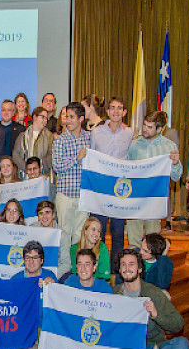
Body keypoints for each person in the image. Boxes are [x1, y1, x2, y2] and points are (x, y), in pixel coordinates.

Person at [113, 249, 189, 349]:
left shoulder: (153, 293)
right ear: (119, 269)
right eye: (123, 265)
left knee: (183, 345)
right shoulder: (113, 293)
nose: (127, 268)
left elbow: (178, 324)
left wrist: (156, 315)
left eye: (131, 264)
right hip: (127, 346)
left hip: (151, 346)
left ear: (140, 269)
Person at [126, 111, 182, 248]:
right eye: (144, 125)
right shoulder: (134, 145)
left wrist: (175, 164)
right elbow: (126, 171)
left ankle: (151, 268)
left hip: (154, 201)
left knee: (153, 243)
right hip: (135, 199)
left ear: (160, 129)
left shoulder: (169, 147)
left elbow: (176, 177)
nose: (145, 129)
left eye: (150, 127)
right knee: (134, 241)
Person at [89, 96, 134, 267]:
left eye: (119, 108)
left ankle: (116, 272)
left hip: (119, 191)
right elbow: (92, 158)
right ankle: (98, 269)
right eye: (112, 108)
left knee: (117, 233)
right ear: (107, 112)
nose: (115, 111)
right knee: (97, 231)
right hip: (100, 189)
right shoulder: (97, 132)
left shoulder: (129, 133)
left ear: (124, 112)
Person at [55, 248, 113, 349]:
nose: (83, 268)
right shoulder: (70, 283)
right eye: (80, 264)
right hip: (75, 334)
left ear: (94, 267)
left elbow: (109, 318)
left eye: (87, 264)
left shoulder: (104, 287)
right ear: (76, 267)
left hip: (96, 334)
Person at [4, 241, 57, 349]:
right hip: (21, 325)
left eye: (35, 258)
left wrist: (52, 287)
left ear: (42, 260)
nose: (31, 262)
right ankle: (22, 347)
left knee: (51, 346)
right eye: (27, 258)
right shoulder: (16, 280)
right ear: (23, 260)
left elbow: (57, 304)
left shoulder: (50, 277)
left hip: (43, 325)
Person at [51, 102, 90, 244]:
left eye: (72, 117)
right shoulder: (60, 141)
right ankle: (65, 266)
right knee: (64, 235)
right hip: (65, 195)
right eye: (67, 117)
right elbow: (57, 166)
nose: (68, 120)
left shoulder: (89, 138)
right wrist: (77, 159)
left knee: (81, 235)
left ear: (81, 119)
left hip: (83, 196)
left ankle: (78, 265)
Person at [29, 200, 72, 278]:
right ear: (38, 217)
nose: (44, 216)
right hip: (33, 273)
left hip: (54, 275)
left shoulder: (62, 235)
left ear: (53, 215)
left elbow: (66, 264)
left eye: (47, 212)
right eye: (41, 213)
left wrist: (51, 277)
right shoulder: (31, 230)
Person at [13, 106, 54, 180]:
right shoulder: (22, 136)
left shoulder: (49, 136)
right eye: (43, 117)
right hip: (25, 177)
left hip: (42, 176)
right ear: (35, 117)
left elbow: (52, 154)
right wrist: (27, 168)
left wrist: (39, 168)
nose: (45, 120)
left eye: (46, 118)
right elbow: (16, 155)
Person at [70, 217, 111, 281]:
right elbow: (74, 273)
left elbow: (103, 276)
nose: (96, 233)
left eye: (99, 231)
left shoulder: (102, 248)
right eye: (93, 229)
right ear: (85, 231)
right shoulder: (74, 249)